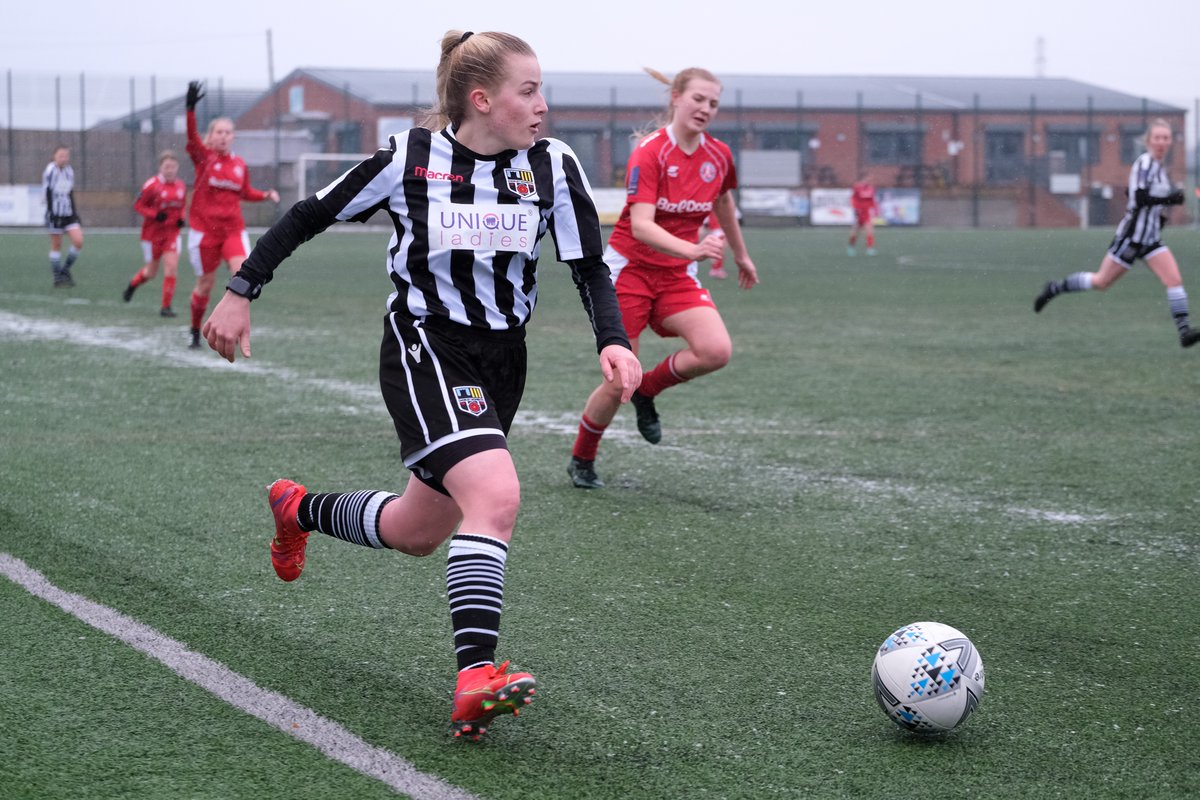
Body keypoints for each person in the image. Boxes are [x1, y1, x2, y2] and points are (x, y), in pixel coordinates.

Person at [200, 30, 640, 741]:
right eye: (528, 91)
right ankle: (475, 677)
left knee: (417, 531)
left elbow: (588, 266)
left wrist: (613, 341)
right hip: (425, 345)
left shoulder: (553, 166)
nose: (543, 105)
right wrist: (240, 289)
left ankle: (298, 509)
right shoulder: (408, 158)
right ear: (482, 98)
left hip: (503, 360)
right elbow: (310, 214)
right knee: (495, 495)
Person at [567, 67, 758, 490]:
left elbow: (724, 201)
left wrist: (742, 255)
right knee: (618, 380)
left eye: (713, 103)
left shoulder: (719, 155)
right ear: (675, 97)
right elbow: (640, 225)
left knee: (715, 350)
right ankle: (582, 458)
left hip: (675, 276)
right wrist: (694, 248)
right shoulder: (651, 152)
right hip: (630, 271)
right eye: (698, 99)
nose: (705, 109)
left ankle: (647, 390)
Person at [1034, 118, 1200, 348]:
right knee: (1102, 282)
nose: (1162, 142)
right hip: (1131, 237)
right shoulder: (1144, 164)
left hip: (1151, 239)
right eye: (1157, 138)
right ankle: (1054, 288)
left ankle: (1184, 333)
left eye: (1166, 138)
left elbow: (1152, 204)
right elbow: (1140, 198)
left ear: (1171, 142)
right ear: (1148, 141)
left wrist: (1164, 213)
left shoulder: (1161, 171)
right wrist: (1171, 198)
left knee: (1174, 279)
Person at [184, 81, 279, 347]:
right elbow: (191, 138)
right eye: (219, 132)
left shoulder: (239, 164)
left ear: (233, 137)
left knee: (243, 277)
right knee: (205, 284)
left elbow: (245, 192)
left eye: (228, 132)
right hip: (205, 232)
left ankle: (233, 325)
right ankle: (194, 330)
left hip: (232, 230)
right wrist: (190, 109)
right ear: (211, 136)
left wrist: (265, 195)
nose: (224, 136)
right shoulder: (204, 158)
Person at [123, 150, 188, 316]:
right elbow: (138, 205)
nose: (170, 170)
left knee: (171, 268)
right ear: (160, 168)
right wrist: (154, 214)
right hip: (152, 235)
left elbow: (181, 207)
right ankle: (132, 285)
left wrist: (181, 218)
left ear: (177, 168)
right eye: (167, 166)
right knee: (151, 272)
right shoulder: (152, 185)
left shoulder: (181, 186)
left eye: (173, 166)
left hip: (171, 233)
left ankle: (165, 307)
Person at [43, 145, 84, 287]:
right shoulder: (50, 170)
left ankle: (65, 270)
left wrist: (75, 212)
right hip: (55, 213)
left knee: (78, 241)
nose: (64, 158)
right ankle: (57, 277)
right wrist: (51, 213)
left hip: (68, 214)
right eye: (61, 155)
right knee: (56, 245)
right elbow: (48, 192)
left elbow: (70, 192)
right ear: (54, 156)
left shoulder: (69, 171)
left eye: (66, 156)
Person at [848, 172, 877, 256]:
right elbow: (853, 199)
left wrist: (874, 209)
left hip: (867, 211)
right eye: (868, 178)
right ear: (863, 178)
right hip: (859, 212)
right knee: (856, 231)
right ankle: (851, 247)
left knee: (869, 230)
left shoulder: (871, 188)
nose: (870, 180)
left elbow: (872, 200)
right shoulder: (857, 187)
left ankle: (870, 249)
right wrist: (855, 209)